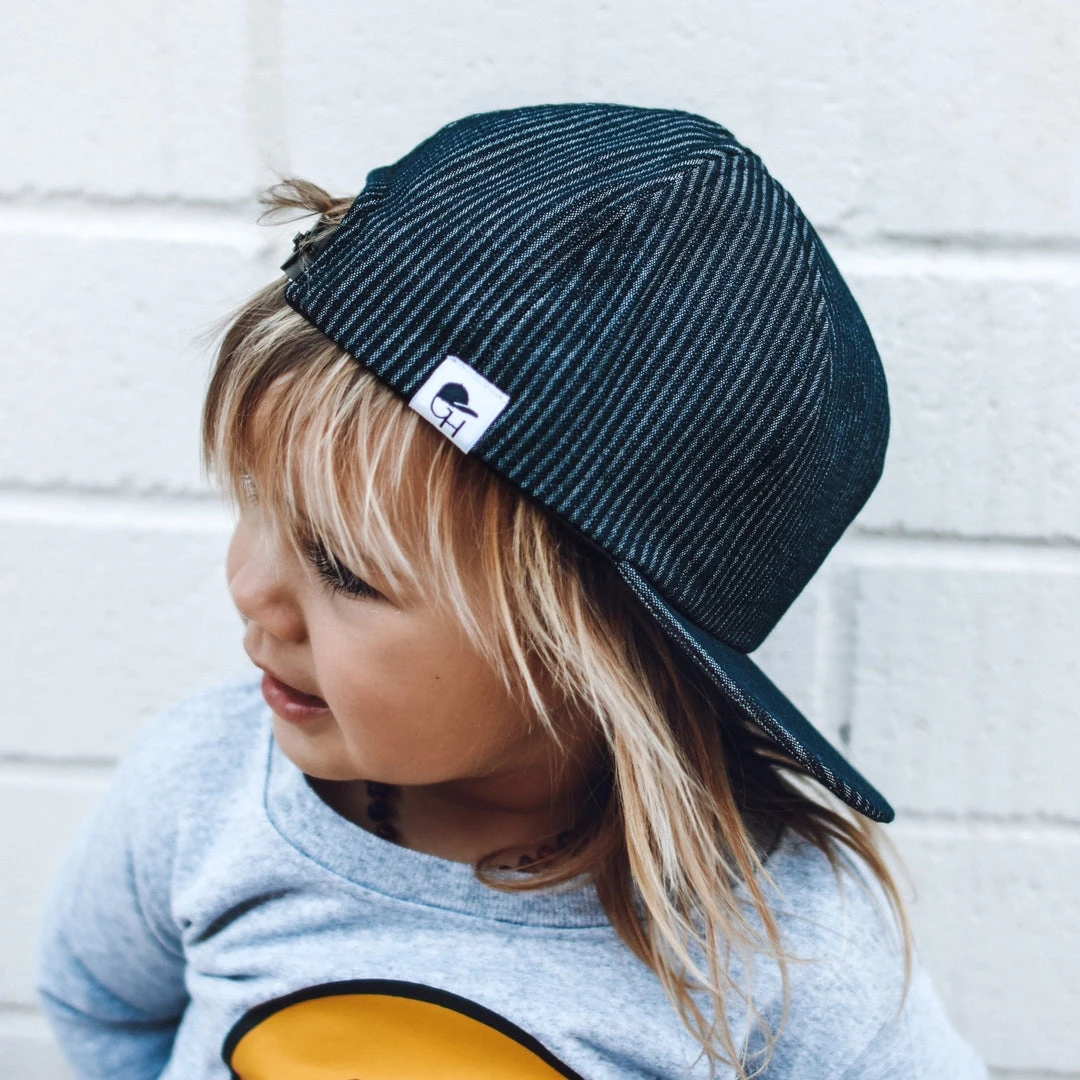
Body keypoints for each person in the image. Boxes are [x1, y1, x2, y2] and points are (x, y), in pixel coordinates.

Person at [36, 103, 988, 1079]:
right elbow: (101, 1007)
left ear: (598, 652)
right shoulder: (202, 792)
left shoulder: (789, 951)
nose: (250, 589)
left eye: (344, 568)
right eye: (255, 497)